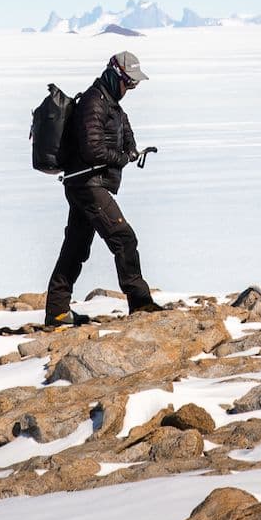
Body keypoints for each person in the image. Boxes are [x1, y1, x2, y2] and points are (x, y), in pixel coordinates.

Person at [44, 51, 162, 326]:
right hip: (88, 184)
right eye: (130, 83)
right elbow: (92, 148)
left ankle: (57, 312)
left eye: (135, 84)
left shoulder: (108, 102)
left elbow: (123, 127)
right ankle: (141, 303)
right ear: (116, 75)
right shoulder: (94, 103)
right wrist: (121, 158)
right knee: (123, 238)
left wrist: (130, 148)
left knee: (75, 248)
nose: (131, 88)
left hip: (84, 184)